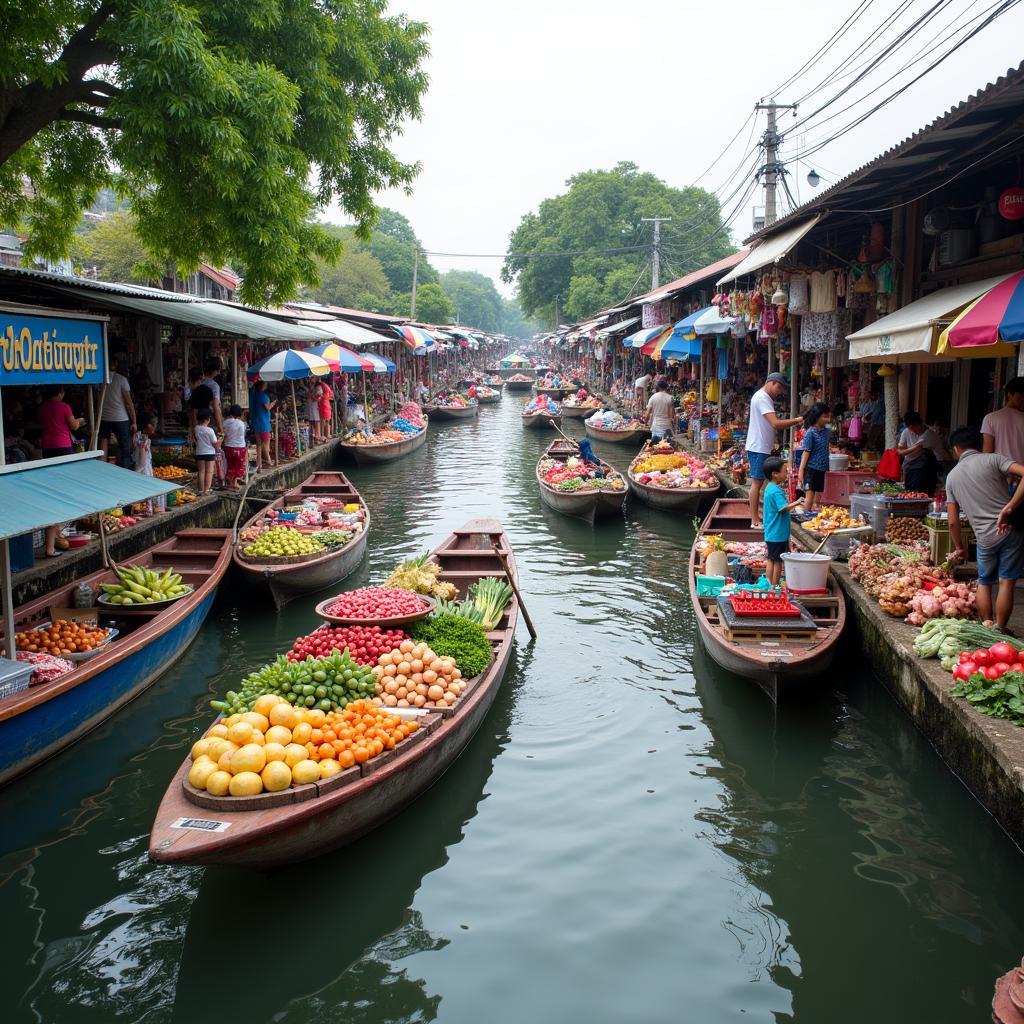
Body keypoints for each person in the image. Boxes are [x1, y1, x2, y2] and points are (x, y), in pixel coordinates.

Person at [945, 426, 1024, 630]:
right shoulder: (994, 459)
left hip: (984, 537)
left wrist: (960, 548)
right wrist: (1010, 506)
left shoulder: (952, 477)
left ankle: (987, 625)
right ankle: (1001, 627)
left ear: (956, 449)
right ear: (979, 445)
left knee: (984, 581)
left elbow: (952, 521)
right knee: (1007, 580)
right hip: (1010, 529)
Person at [746, 372, 802, 528]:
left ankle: (757, 516)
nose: (780, 392)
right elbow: (775, 424)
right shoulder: (763, 398)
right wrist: (796, 421)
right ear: (772, 383)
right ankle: (754, 520)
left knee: (759, 483)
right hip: (758, 446)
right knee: (757, 483)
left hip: (760, 445)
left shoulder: (762, 397)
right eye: (780, 388)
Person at [39, 385, 85, 557]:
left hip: (48, 447)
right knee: (65, 484)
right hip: (63, 446)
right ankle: (59, 526)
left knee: (53, 482)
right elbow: (73, 426)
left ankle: (57, 529)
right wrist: (80, 421)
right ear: (59, 392)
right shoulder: (64, 407)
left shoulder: (42, 408)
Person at [762, 457, 801, 588]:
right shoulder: (776, 491)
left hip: (771, 532)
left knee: (771, 559)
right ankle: (774, 586)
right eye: (784, 471)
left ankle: (769, 584)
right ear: (775, 474)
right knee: (778, 561)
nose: (787, 474)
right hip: (778, 533)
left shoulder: (769, 488)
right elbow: (783, 508)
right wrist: (797, 502)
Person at [99, 354, 136, 468]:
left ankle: (102, 467)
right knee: (124, 447)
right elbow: (129, 403)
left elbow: (98, 400)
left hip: (104, 417)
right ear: (115, 365)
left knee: (103, 442)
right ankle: (124, 469)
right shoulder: (121, 380)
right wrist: (134, 421)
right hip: (121, 418)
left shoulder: (100, 380)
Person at [797, 401, 832, 512]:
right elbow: (806, 453)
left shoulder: (827, 432)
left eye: (828, 416)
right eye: (825, 416)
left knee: (818, 499)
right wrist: (801, 471)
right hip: (811, 469)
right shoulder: (810, 433)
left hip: (822, 469)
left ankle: (814, 520)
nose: (828, 419)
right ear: (817, 417)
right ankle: (805, 518)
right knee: (809, 498)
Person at [897, 411, 941, 495]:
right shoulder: (906, 432)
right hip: (909, 466)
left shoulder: (929, 434)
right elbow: (899, 451)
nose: (912, 430)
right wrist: (914, 448)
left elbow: (907, 451)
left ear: (919, 424)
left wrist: (907, 450)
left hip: (925, 468)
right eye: (910, 428)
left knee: (922, 492)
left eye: (913, 428)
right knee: (910, 492)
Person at [982, 377, 1024, 464]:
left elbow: (987, 453)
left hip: (999, 472)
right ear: (1009, 394)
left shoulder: (990, 418)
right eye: (1021, 394)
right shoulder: (990, 418)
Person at [132, 416, 164, 514]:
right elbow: (141, 456)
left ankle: (146, 508)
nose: (154, 428)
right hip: (142, 467)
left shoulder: (143, 436)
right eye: (154, 425)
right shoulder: (141, 437)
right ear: (149, 425)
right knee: (144, 487)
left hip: (144, 465)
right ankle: (145, 509)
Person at [248, 379, 276, 472]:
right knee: (266, 444)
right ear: (262, 385)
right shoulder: (263, 396)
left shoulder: (253, 395)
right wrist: (272, 404)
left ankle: (259, 464)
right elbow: (267, 407)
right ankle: (268, 461)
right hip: (264, 423)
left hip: (256, 422)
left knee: (259, 444)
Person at [193, 409, 220, 496]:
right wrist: (221, 439)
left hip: (200, 452)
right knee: (209, 471)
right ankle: (206, 490)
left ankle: (200, 490)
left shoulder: (196, 428)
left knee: (201, 471)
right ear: (208, 419)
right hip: (209, 453)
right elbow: (215, 445)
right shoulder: (210, 430)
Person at [222, 404, 248, 490]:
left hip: (228, 447)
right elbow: (242, 435)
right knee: (238, 466)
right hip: (239, 447)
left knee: (230, 465)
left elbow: (224, 434)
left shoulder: (225, 422)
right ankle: (234, 482)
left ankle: (229, 480)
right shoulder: (241, 423)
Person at [201, 357, 224, 432]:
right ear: (214, 370)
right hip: (210, 419)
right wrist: (220, 428)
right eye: (218, 369)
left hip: (198, 418)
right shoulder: (214, 386)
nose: (219, 372)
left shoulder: (198, 382)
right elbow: (215, 407)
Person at [306, 380, 323, 444]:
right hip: (311, 408)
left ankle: (317, 438)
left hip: (316, 408)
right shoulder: (312, 387)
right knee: (312, 423)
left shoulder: (318, 388)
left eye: (312, 378)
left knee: (316, 422)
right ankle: (314, 439)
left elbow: (317, 399)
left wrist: (310, 395)